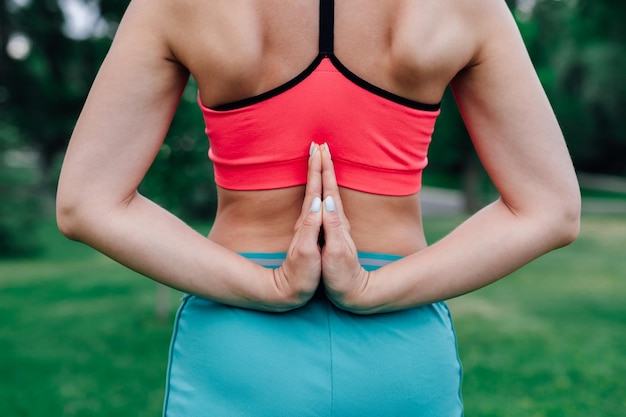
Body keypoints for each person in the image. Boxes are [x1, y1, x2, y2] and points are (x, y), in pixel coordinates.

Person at [56, 0, 581, 415]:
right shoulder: (466, 6)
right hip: (399, 345)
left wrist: (271, 286)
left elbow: (86, 202)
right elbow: (550, 209)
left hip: (240, 341)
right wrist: (371, 289)